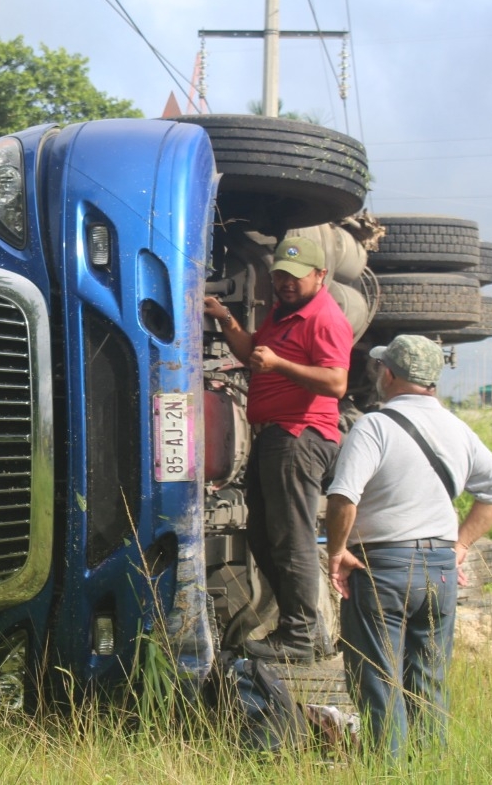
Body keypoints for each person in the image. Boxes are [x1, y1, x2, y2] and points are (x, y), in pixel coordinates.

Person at [324, 334, 492, 759]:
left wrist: (336, 552)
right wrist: (462, 544)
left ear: (389, 374)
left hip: (383, 566)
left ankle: (388, 771)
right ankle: (430, 767)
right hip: (441, 568)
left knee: (377, 679)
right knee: (429, 677)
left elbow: (343, 497)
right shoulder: (458, 429)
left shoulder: (374, 425)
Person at [204, 235, 352, 664]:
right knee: (266, 537)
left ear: (320, 275)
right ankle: (308, 631)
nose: (286, 284)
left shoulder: (323, 318)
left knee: (291, 539)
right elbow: (255, 353)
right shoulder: (285, 314)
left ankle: (301, 637)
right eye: (280, 276)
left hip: (300, 436)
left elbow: (336, 383)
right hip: (277, 436)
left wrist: (281, 366)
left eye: (296, 277)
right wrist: (228, 322)